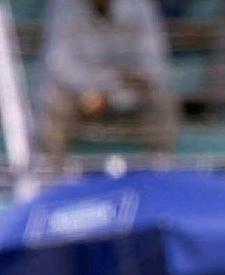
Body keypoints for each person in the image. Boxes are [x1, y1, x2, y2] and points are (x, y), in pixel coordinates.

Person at [38, 0, 179, 165]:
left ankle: (161, 169)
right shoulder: (63, 6)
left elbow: (154, 63)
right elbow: (59, 65)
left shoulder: (140, 6)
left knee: (162, 101)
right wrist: (102, 87)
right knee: (55, 103)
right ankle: (53, 173)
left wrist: (117, 93)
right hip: (81, 94)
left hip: (130, 95)